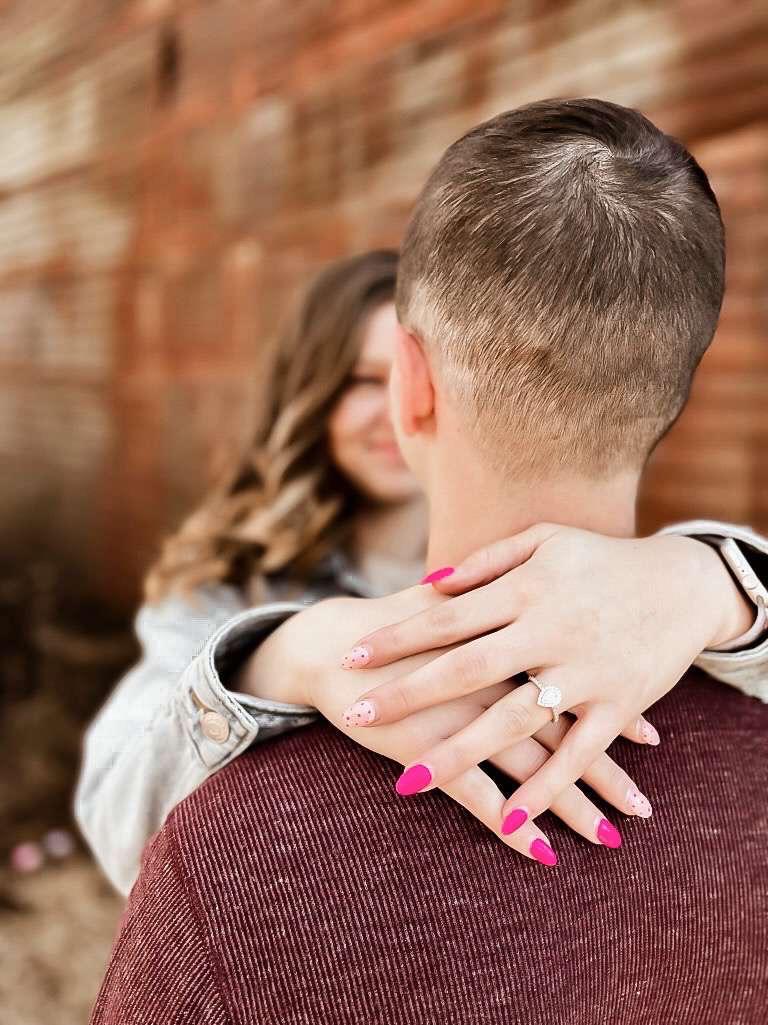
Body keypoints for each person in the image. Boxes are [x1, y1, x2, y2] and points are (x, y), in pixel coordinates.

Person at [91, 98, 768, 1024]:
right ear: (674, 390)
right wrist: (277, 656)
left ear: (415, 386)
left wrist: (711, 578)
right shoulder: (228, 592)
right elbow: (118, 806)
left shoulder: (234, 859)